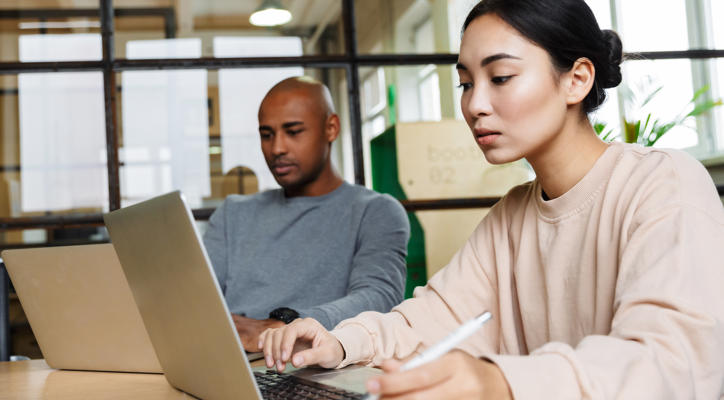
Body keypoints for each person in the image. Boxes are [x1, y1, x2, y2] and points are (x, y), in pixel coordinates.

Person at [258, 1, 724, 399]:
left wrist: (499, 381)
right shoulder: (512, 214)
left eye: (500, 77)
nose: (474, 104)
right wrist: (338, 343)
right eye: (465, 83)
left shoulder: (665, 184)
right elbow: (429, 319)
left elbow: (670, 362)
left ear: (577, 79)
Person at [203, 76, 410, 353]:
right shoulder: (232, 214)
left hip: (311, 360)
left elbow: (379, 298)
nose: (277, 148)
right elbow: (197, 301)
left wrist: (286, 325)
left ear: (331, 128)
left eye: (293, 131)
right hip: (228, 357)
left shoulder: (375, 212)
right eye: (267, 135)